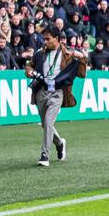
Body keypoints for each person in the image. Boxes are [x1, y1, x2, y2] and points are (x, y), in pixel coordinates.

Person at [26, 24, 87, 167]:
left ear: (57, 39)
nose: (45, 42)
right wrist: (28, 71)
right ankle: (59, 143)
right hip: (41, 91)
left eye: (48, 39)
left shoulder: (68, 54)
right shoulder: (39, 53)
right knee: (45, 125)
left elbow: (82, 74)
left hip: (57, 92)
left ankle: (44, 156)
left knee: (48, 122)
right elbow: (29, 65)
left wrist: (83, 58)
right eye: (44, 39)